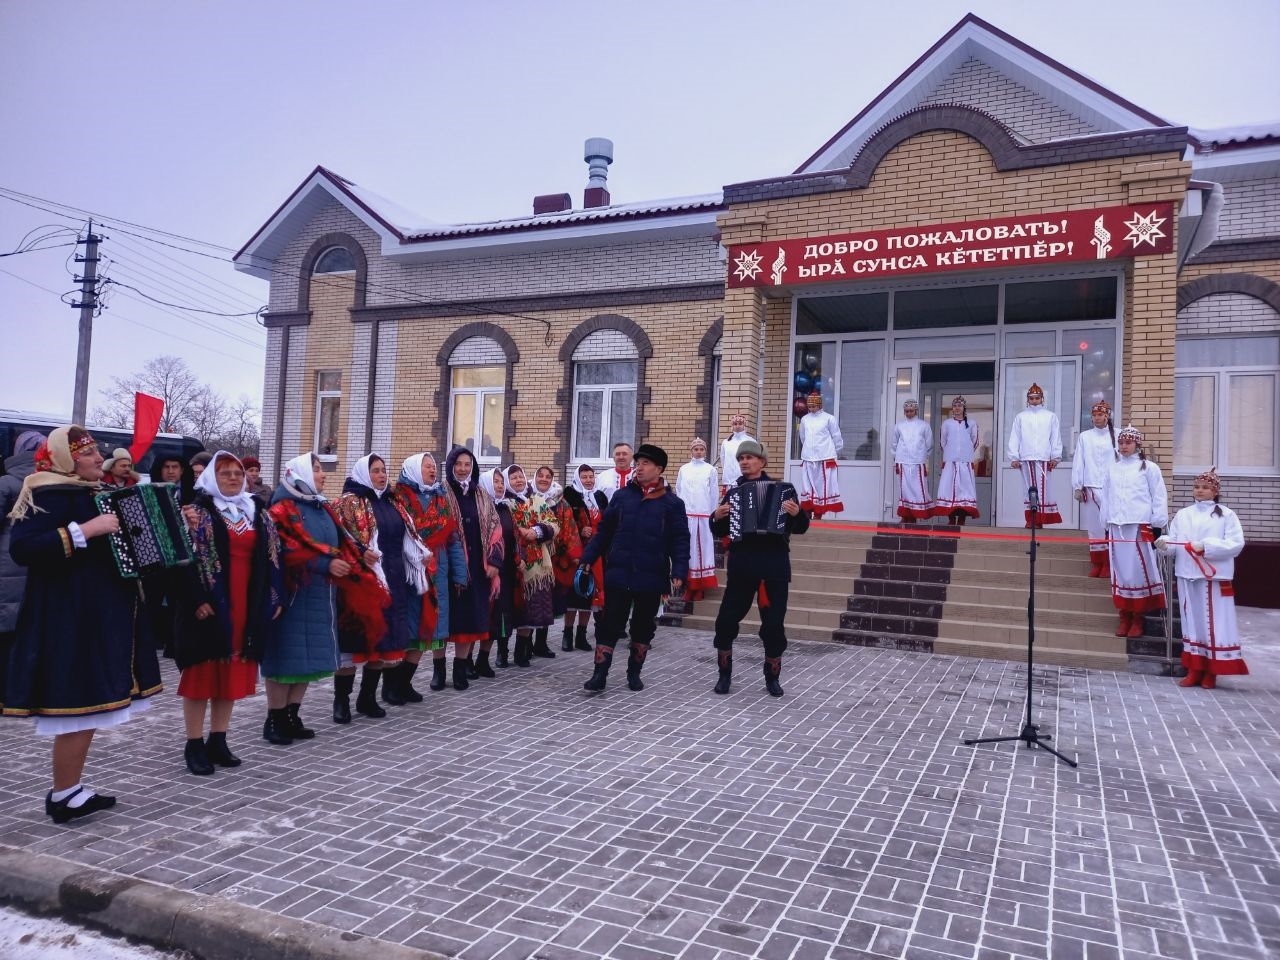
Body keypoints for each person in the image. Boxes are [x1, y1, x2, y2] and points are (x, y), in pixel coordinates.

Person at [4, 426, 162, 824]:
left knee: (88, 706)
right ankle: (63, 796)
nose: (99, 459)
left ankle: (70, 790)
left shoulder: (91, 493)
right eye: (90, 454)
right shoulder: (44, 493)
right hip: (68, 616)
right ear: (66, 459)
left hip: (98, 613)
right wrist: (85, 531)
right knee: (75, 707)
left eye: (96, 453)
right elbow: (24, 548)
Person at [176, 451, 283, 773]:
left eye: (238, 472)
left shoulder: (257, 511)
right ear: (211, 477)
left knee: (232, 672)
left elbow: (273, 558)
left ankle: (218, 739)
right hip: (209, 606)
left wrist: (274, 599)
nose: (235, 478)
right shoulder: (195, 513)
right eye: (226, 473)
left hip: (245, 604)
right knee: (202, 675)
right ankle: (193, 743)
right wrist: (196, 600)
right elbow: (181, 562)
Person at [266, 453, 369, 745]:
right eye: (317, 469)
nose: (323, 475)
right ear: (299, 474)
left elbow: (342, 541)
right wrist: (323, 565)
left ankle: (292, 714)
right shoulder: (281, 509)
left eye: (322, 469)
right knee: (286, 658)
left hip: (322, 594)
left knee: (310, 659)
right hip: (293, 595)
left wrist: (360, 555)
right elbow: (285, 550)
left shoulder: (322, 506)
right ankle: (274, 718)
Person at [579, 444, 689, 692]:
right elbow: (604, 532)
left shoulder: (672, 503)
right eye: (637, 463)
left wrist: (680, 571)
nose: (638, 468)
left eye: (645, 464)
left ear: (659, 469)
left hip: (651, 573)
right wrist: (588, 557)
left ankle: (634, 673)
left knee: (643, 626)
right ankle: (599, 675)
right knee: (608, 624)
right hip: (619, 571)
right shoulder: (621, 497)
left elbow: (680, 540)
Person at [709, 439, 809, 696]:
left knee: (774, 626)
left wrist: (797, 513)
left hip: (774, 565)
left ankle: (772, 678)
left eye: (749, 458)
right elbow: (720, 529)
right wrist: (716, 517)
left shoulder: (784, 489)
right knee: (726, 621)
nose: (744, 462)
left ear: (762, 462)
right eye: (741, 459)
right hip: (743, 564)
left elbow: (800, 527)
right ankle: (724, 675)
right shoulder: (733, 492)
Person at [333, 454, 433, 712]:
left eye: (383, 470)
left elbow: (407, 537)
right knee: (356, 642)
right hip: (360, 583)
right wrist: (358, 554)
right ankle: (341, 700)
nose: (381, 475)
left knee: (381, 642)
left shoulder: (393, 502)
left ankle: (367, 697)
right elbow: (337, 542)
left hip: (393, 579)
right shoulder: (347, 504)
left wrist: (418, 556)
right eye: (375, 470)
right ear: (363, 474)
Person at [1157, 468, 1247, 689]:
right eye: (1197, 487)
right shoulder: (1183, 514)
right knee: (1192, 624)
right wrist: (1164, 543)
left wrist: (1206, 547)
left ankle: (1211, 671)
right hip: (1188, 575)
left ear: (1215, 491)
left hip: (1213, 577)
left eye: (1205, 487)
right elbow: (1175, 542)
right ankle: (1195, 669)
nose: (1200, 490)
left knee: (1213, 624)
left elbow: (1236, 544)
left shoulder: (1226, 514)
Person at [396, 453, 469, 694]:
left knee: (427, 631)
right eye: (427, 466)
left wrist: (459, 574)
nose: (432, 470)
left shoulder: (440, 499)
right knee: (408, 631)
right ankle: (393, 684)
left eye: (433, 467)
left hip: (438, 573)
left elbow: (453, 539)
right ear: (415, 469)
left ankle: (404, 684)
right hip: (410, 574)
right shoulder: (400, 498)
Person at [441, 446, 503, 689]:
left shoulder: (481, 495)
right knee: (447, 621)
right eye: (458, 464)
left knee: (469, 621)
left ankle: (459, 670)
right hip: (449, 568)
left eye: (467, 464)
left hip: (477, 568)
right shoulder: (442, 493)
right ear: (451, 466)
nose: (463, 469)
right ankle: (439, 671)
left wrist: (495, 562)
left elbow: (495, 529)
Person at [1102, 424, 1167, 638]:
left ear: (1137, 444)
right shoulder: (1113, 468)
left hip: (1138, 526)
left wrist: (1157, 522)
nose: (1123, 446)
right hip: (1117, 526)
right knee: (1120, 572)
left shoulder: (1148, 468)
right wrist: (1106, 521)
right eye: (1120, 442)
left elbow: (1158, 495)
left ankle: (1138, 618)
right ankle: (1124, 616)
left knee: (1138, 571)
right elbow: (1107, 496)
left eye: (1128, 442)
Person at [0, 431, 45, 711]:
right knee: (33, 636)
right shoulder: (51, 483)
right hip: (41, 566)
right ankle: (28, 695)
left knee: (5, 636)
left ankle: (5, 696)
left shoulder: (6, 482)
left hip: (7, 569)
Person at [504, 464, 560, 661]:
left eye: (520, 476)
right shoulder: (503, 503)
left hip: (536, 565)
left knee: (530, 610)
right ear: (506, 482)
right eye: (513, 478)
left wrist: (536, 531)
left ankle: (521, 651)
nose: (518, 480)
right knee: (509, 609)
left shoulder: (536, 500)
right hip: (511, 563)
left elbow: (554, 524)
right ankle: (502, 653)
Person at [531, 465, 586, 653]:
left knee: (547, 601)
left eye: (548, 476)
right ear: (535, 477)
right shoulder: (527, 498)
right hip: (532, 557)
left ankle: (541, 643)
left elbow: (570, 529)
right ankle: (525, 643)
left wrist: (574, 556)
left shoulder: (561, 503)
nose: (544, 479)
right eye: (541, 476)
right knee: (531, 599)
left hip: (554, 559)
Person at [562, 463, 606, 651]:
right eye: (584, 477)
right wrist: (581, 530)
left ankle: (581, 635)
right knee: (575, 594)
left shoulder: (600, 496)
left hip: (597, 552)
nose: (588, 480)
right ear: (578, 478)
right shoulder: (570, 496)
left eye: (591, 476)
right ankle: (567, 635)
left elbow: (609, 520)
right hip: (577, 552)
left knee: (590, 593)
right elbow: (564, 522)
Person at [1071, 400, 1118, 577]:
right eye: (1095, 415)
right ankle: (1097, 563)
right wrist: (1077, 485)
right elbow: (1079, 462)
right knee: (1094, 527)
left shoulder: (1118, 435)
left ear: (1108, 416)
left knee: (1109, 525)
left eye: (1101, 415)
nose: (1097, 418)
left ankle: (1108, 563)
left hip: (1111, 488)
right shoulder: (1085, 436)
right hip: (1090, 487)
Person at [1008, 383, 1063, 527]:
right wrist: (1014, 457)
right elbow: (1015, 437)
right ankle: (1031, 519)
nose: (1034, 401)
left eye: (1037, 398)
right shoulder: (1021, 417)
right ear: (1027, 399)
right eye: (1031, 398)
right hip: (1025, 457)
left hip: (1043, 458)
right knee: (1028, 489)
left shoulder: (1050, 416)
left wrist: (1055, 457)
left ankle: (1041, 519)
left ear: (1042, 399)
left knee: (1043, 489)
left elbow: (1055, 437)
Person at [480, 468, 518, 666]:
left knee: (502, 613)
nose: (500, 485)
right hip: (485, 569)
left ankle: (492, 655)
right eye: (496, 481)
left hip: (507, 568)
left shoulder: (507, 508)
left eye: (502, 482)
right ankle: (469, 659)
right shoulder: (481, 508)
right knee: (484, 613)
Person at [676, 438, 719, 601]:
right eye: (696, 449)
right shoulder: (684, 469)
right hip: (687, 515)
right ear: (691, 451)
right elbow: (679, 490)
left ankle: (700, 586)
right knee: (687, 550)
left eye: (701, 449)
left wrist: (713, 514)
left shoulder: (710, 470)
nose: (699, 451)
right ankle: (688, 585)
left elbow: (714, 493)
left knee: (703, 551)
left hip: (704, 515)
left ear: (705, 451)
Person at [932, 396, 979, 525]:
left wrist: (965, 452)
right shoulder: (947, 423)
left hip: (965, 462)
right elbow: (943, 442)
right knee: (949, 489)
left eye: (959, 405)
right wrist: (950, 452)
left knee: (964, 490)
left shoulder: (972, 423)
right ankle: (951, 518)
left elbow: (975, 442)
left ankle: (962, 518)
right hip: (950, 462)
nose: (957, 408)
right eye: (955, 406)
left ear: (964, 408)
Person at [797, 393, 843, 517]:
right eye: (809, 406)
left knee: (822, 485)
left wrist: (834, 452)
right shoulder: (805, 419)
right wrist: (808, 449)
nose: (811, 409)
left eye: (813, 406)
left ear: (819, 405)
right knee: (807, 484)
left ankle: (818, 513)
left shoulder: (829, 418)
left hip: (825, 457)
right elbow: (803, 437)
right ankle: (807, 511)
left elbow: (836, 437)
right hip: (808, 457)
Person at [891, 398, 933, 523]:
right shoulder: (899, 425)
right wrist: (896, 457)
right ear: (904, 412)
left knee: (918, 489)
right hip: (902, 462)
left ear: (916, 411)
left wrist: (923, 457)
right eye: (907, 411)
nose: (909, 413)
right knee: (904, 489)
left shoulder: (924, 425)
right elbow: (894, 443)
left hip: (917, 462)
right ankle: (905, 516)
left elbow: (929, 444)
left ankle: (915, 515)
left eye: (911, 410)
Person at [719, 415, 756, 490]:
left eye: (740, 423)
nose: (737, 426)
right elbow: (723, 460)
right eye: (735, 424)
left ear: (744, 425)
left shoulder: (750, 441)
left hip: (746, 480)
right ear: (732, 426)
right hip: (730, 481)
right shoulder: (726, 442)